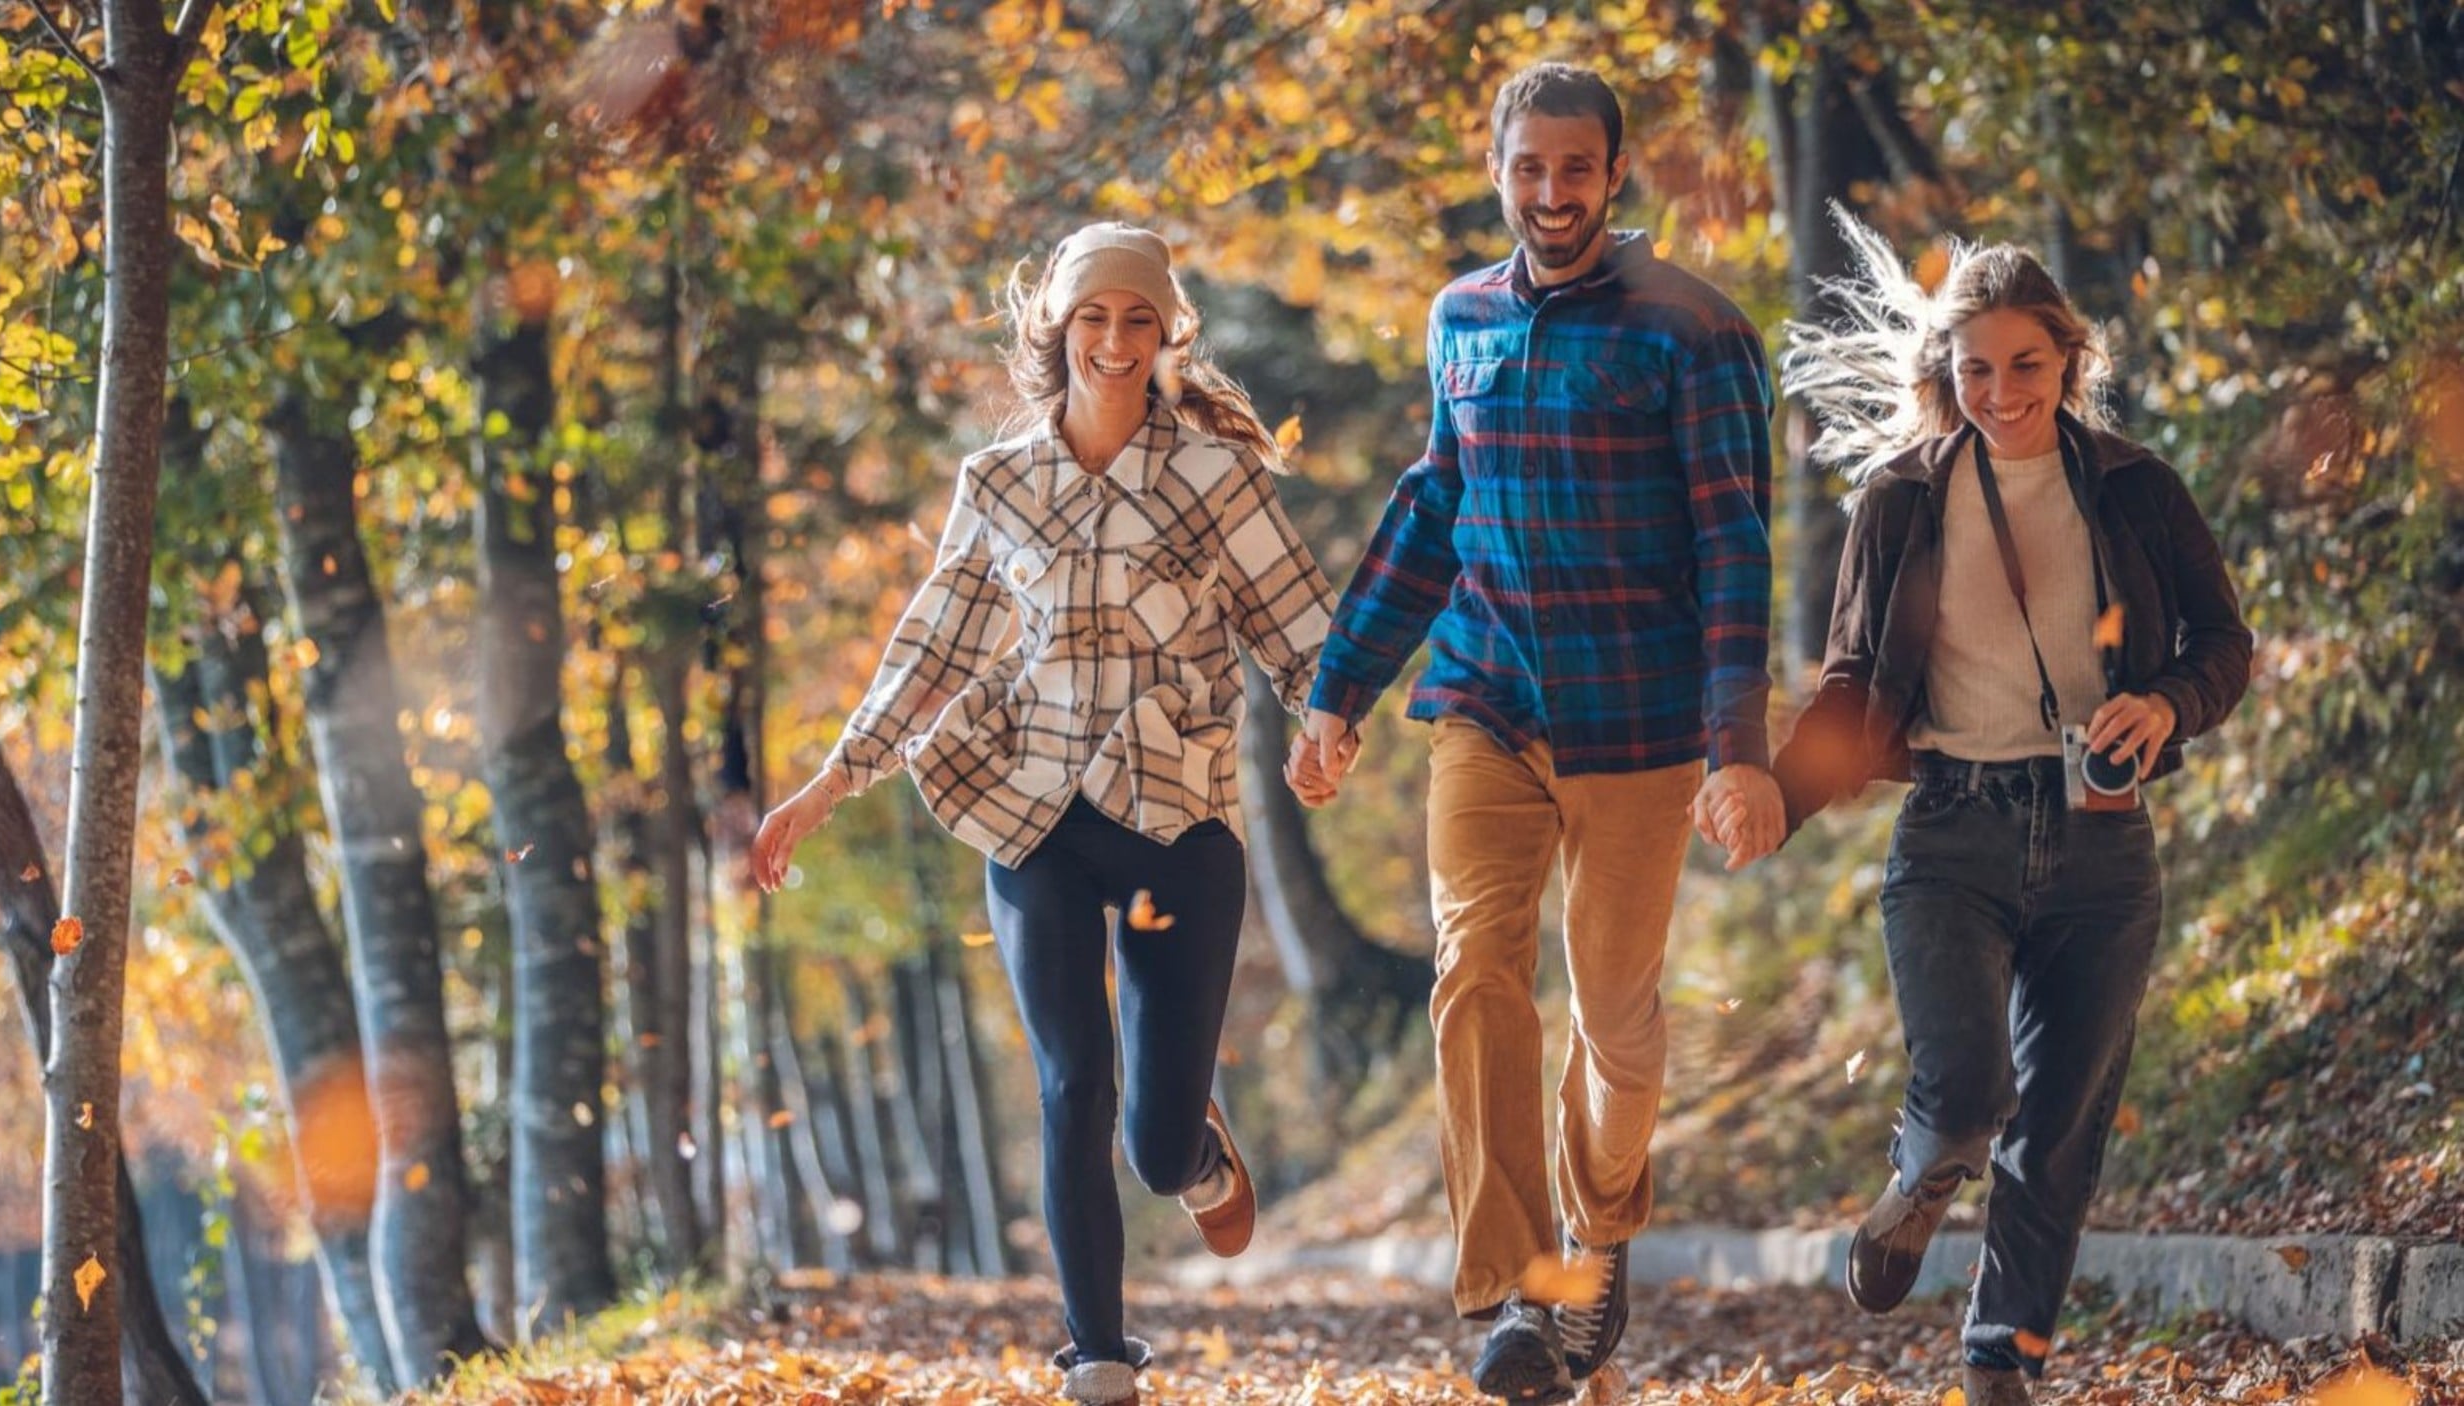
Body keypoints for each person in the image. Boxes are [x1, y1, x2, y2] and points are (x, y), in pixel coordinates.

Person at [750, 221, 1338, 1406]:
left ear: (1165, 332)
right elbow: (932, 644)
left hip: (1177, 816)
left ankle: (1195, 1150)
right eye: (1091, 318)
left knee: (1152, 1139)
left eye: (1136, 319)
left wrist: (1330, 728)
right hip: (1033, 809)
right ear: (1054, 330)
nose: (1114, 341)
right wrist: (828, 782)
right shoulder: (997, 481)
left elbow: (1303, 625)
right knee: (1072, 1078)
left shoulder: (1216, 476)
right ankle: (1098, 1351)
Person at [1289, 62, 1778, 1403]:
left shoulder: (1695, 330)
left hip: (1639, 719)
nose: (1551, 192)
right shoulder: (1460, 318)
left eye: (1577, 168)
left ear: (1615, 174)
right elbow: (1434, 504)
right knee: (1475, 969)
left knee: (1614, 1019)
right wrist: (1337, 690)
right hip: (1488, 701)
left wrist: (1736, 741)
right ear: (1495, 169)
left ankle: (1599, 1226)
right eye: (1528, 168)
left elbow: (1736, 544)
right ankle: (1518, 1290)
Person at [1705, 211, 2252, 1406]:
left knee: (2056, 1131)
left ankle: (2002, 1357)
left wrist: (2165, 706)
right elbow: (1851, 682)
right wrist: (1772, 795)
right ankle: (1918, 1177)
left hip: (2103, 843)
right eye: (1976, 369)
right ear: (1943, 373)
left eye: (2026, 365)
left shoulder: (2134, 489)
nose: (2001, 392)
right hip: (1951, 827)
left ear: (2069, 362)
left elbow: (2222, 643)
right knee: (1962, 1092)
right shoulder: (1901, 500)